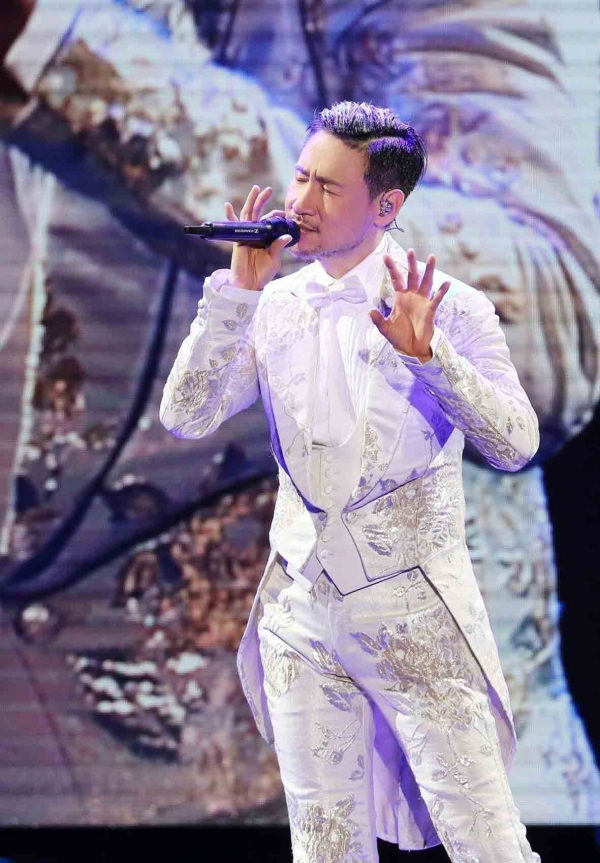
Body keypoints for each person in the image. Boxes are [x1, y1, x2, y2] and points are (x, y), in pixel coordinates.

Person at [160, 101, 541, 863]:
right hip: (300, 611)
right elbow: (186, 415)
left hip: (415, 617)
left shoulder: (453, 308)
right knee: (325, 847)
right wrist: (236, 298)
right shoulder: (273, 304)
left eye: (329, 188)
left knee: (487, 843)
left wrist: (431, 357)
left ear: (386, 205)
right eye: (302, 176)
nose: (301, 201)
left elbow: (515, 444)